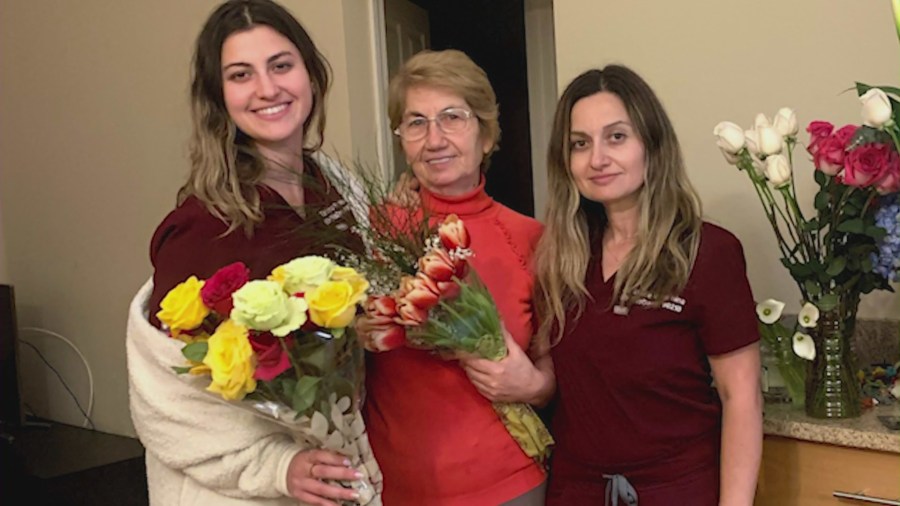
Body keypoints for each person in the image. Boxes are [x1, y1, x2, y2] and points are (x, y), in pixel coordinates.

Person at [125, 1, 368, 504]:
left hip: (335, 469)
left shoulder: (335, 189)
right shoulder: (202, 226)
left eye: (281, 65)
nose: (267, 88)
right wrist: (277, 465)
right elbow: (166, 396)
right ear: (218, 96)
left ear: (311, 74)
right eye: (241, 74)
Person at [533, 65, 762, 506]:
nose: (597, 159)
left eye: (616, 137)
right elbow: (552, 381)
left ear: (652, 144)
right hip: (576, 490)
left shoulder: (707, 252)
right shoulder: (561, 256)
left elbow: (741, 396)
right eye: (580, 144)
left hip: (676, 489)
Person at [359, 49, 554, 505]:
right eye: (416, 122)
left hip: (511, 484)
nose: (434, 139)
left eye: (452, 117)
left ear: (486, 135)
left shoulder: (532, 238)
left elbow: (558, 365)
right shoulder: (374, 229)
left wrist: (536, 386)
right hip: (395, 487)